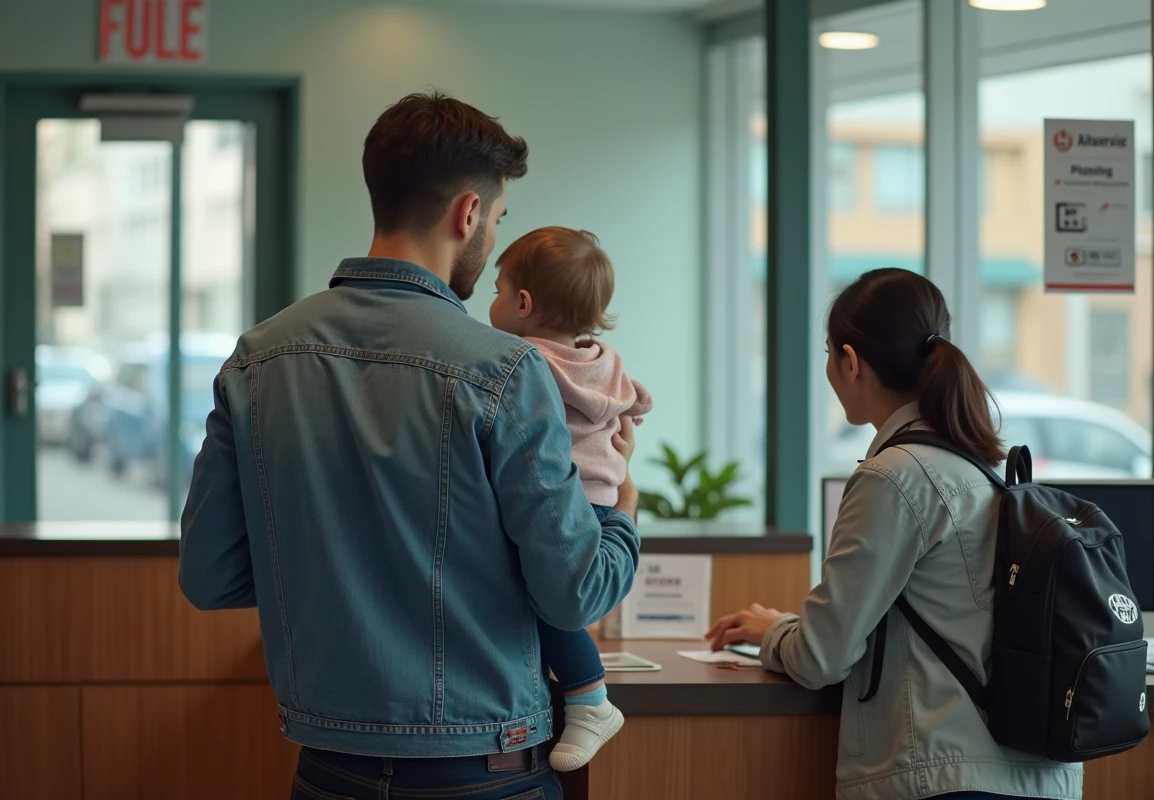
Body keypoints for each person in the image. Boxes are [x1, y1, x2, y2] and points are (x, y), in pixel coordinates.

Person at [178, 92, 641, 800]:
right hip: (486, 771)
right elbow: (575, 591)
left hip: (329, 769)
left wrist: (332, 573)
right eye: (497, 218)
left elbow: (210, 576)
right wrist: (621, 512)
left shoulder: (255, 360)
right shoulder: (504, 371)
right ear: (467, 213)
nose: (489, 241)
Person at [706, 268, 1082, 800]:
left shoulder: (895, 477)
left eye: (830, 354)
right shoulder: (980, 470)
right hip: (1037, 779)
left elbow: (821, 658)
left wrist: (774, 635)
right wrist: (788, 624)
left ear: (850, 361)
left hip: (945, 778)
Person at [488, 226, 653, 771]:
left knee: (548, 599)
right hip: (604, 493)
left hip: (564, 494)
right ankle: (587, 698)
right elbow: (638, 400)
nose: (491, 303)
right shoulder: (605, 359)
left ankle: (590, 698)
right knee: (547, 598)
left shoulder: (519, 360)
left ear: (524, 302)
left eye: (497, 290)